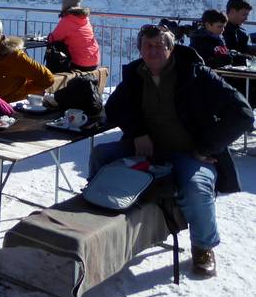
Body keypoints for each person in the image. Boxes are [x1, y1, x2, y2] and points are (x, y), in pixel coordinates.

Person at [92, 24, 253, 277]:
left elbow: (242, 113)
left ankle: (203, 247)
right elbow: (114, 108)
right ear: (140, 49)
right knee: (101, 155)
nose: (153, 51)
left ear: (171, 48)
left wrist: (207, 147)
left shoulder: (196, 75)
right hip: (148, 151)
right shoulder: (136, 75)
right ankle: (100, 225)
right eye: (148, 46)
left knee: (196, 188)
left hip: (189, 153)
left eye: (160, 45)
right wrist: (137, 132)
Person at [46, 0, 101, 71]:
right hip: (95, 61)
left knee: (56, 49)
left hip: (81, 64)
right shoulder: (85, 19)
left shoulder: (67, 20)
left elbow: (52, 38)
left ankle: (50, 76)